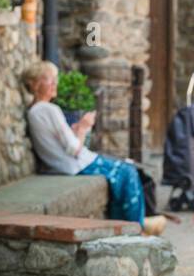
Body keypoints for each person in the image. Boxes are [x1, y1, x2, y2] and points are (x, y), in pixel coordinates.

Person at [21, 61, 165, 235]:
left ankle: (134, 224)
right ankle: (136, 229)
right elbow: (74, 148)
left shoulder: (36, 111)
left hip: (67, 164)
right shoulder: (49, 110)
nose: (55, 84)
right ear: (35, 84)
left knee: (123, 172)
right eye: (49, 80)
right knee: (128, 172)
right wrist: (83, 127)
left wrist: (75, 130)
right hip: (76, 165)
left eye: (55, 79)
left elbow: (62, 142)